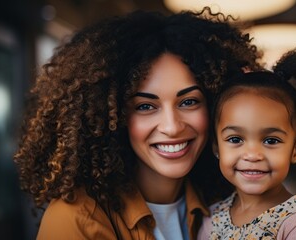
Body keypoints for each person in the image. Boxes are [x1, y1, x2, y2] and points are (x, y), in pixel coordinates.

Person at [13, 8, 262, 240]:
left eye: (189, 102)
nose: (172, 127)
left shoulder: (226, 198)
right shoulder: (76, 220)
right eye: (145, 106)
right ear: (113, 116)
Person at [198, 47, 296, 239]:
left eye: (271, 140)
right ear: (216, 147)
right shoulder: (211, 218)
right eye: (235, 139)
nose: (252, 155)